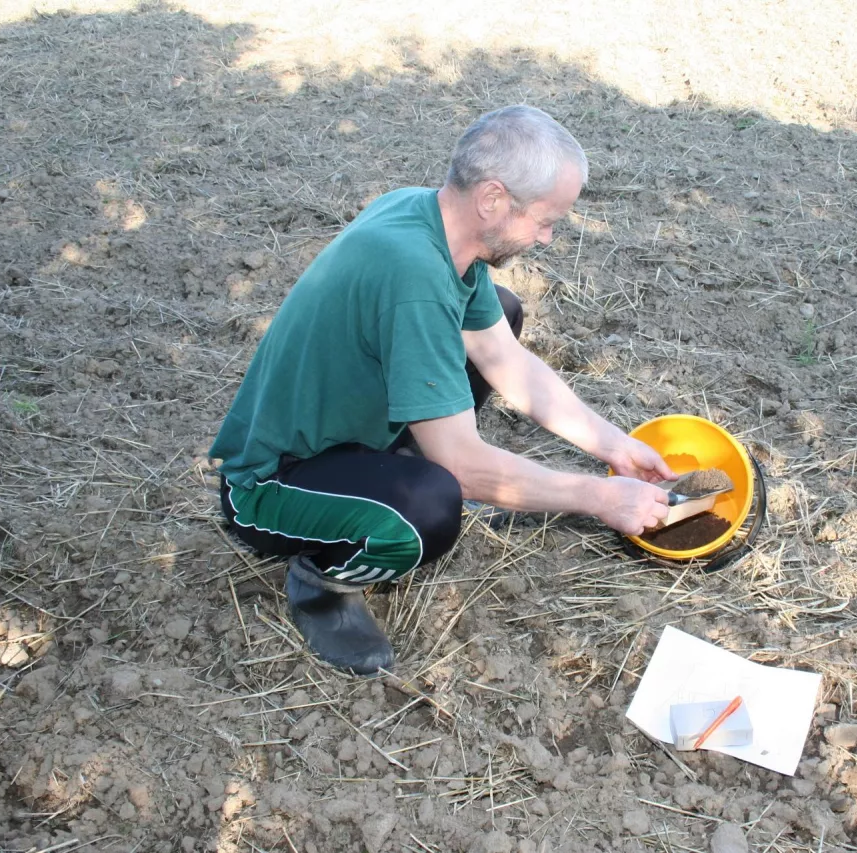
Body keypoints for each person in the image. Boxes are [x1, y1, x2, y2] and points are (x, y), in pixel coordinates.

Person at [209, 105, 674, 675]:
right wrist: (598, 498)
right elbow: (465, 468)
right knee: (429, 508)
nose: (548, 238)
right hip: (271, 484)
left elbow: (505, 358)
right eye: (546, 220)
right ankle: (321, 581)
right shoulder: (415, 280)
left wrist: (614, 447)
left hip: (347, 433)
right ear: (493, 199)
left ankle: (389, 470)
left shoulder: (431, 219)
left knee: (500, 314)